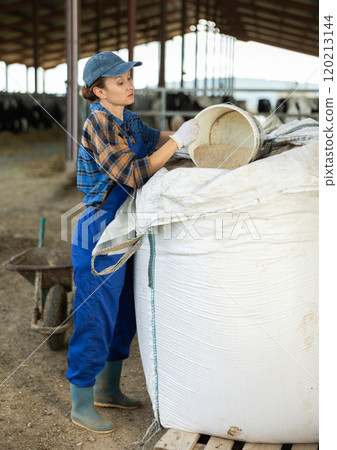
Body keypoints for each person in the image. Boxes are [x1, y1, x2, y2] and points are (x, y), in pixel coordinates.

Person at [66, 51, 199, 433]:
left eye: (129, 79)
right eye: (121, 81)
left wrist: (193, 132)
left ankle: (108, 388)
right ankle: (81, 402)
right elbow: (131, 173)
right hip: (100, 226)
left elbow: (160, 140)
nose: (130, 86)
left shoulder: (130, 121)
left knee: (124, 310)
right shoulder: (100, 124)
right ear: (99, 90)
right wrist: (175, 146)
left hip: (131, 221)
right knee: (96, 314)